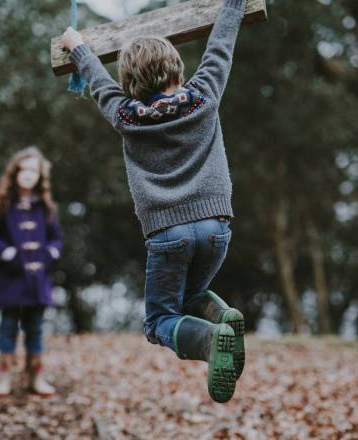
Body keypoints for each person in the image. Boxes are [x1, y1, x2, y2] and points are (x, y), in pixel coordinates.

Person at [62, 0, 247, 403]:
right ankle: (222, 318)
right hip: (217, 227)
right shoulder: (205, 95)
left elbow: (98, 82)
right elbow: (221, 47)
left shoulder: (127, 116)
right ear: (178, 68)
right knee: (190, 299)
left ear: (130, 82)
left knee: (159, 320)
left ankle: (214, 339)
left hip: (168, 234)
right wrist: (233, 4)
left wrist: (79, 48)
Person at [0, 147, 63, 396]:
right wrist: (7, 253)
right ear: (15, 173)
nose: (29, 175)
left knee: (35, 328)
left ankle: (35, 378)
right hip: (11, 278)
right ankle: (4, 378)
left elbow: (57, 238)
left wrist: (50, 253)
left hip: (38, 280)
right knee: (7, 326)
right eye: (24, 170)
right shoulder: (1, 204)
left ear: (40, 176)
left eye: (34, 171)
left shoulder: (45, 207)